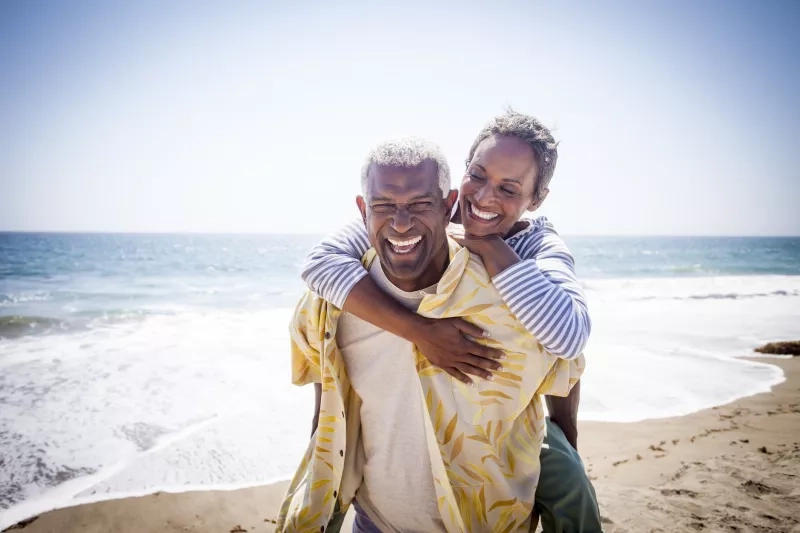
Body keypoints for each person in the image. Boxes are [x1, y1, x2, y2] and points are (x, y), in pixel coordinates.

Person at [298, 112, 600, 531]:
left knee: (568, 478)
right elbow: (320, 265)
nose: (486, 198)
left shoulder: (537, 244)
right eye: (479, 175)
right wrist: (420, 332)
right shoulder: (432, 211)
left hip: (514, 412)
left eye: (509, 188)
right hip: (387, 503)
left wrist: (490, 247)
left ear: (537, 198)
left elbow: (568, 338)